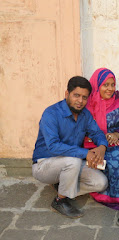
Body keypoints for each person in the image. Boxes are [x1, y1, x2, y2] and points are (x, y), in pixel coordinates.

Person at [32, 76, 109, 218]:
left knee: (101, 183)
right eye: (76, 95)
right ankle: (59, 200)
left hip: (69, 163)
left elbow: (97, 132)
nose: (80, 101)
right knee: (73, 161)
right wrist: (85, 153)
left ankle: (63, 187)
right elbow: (53, 146)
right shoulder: (51, 113)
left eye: (84, 97)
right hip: (44, 164)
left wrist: (102, 146)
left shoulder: (85, 114)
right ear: (67, 94)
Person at [86, 68, 119, 210]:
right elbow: (83, 131)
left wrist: (117, 134)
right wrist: (101, 140)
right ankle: (114, 196)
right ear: (97, 86)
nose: (110, 89)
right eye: (105, 85)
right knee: (113, 160)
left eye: (112, 84)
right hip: (96, 146)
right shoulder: (88, 105)